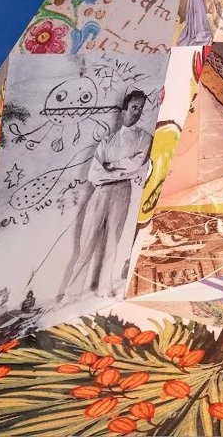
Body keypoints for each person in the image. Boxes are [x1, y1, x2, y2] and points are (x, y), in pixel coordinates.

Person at [56, 89, 154, 301]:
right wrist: (114, 170)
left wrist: (111, 167)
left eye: (140, 108)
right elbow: (94, 175)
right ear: (124, 110)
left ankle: (104, 289)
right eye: (134, 107)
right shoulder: (107, 141)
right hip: (99, 193)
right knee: (86, 243)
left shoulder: (144, 138)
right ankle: (71, 295)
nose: (137, 112)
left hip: (122, 192)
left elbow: (136, 165)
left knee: (112, 242)